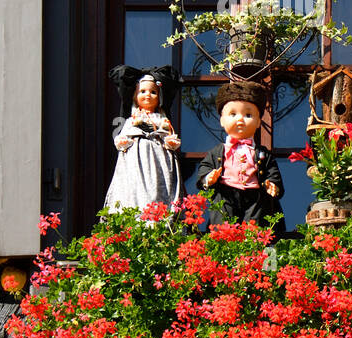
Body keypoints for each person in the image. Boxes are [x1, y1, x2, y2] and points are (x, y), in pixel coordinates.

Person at [196, 80, 284, 230]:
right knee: (224, 222)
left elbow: (272, 171)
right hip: (226, 193)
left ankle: (253, 245)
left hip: (255, 195)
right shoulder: (218, 151)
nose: (240, 119)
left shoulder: (262, 153)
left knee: (254, 224)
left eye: (248, 114)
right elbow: (205, 168)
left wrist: (272, 184)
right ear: (222, 121)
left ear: (258, 122)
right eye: (232, 114)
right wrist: (208, 178)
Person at [104, 65, 181, 214]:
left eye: (153, 92)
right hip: (135, 159)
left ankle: (159, 212)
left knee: (159, 187)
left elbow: (169, 134)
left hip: (159, 157)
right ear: (135, 96)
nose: (148, 95)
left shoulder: (161, 119)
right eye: (143, 91)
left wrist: (170, 141)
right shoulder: (132, 119)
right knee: (134, 188)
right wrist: (123, 141)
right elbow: (123, 136)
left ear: (159, 97)